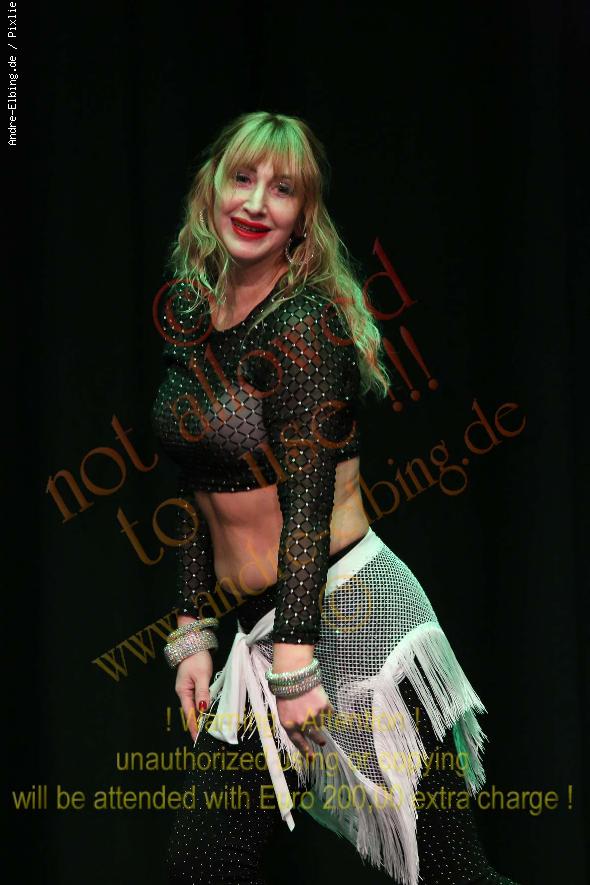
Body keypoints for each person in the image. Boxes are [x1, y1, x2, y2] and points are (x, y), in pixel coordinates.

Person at [151, 111, 519, 885]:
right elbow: (193, 481)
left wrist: (295, 662)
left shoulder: (305, 325)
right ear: (212, 188)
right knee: (203, 865)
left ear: (303, 217)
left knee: (451, 871)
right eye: (243, 178)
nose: (257, 202)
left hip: (353, 619)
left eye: (282, 190)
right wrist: (191, 629)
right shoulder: (198, 318)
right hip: (266, 634)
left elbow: (309, 502)